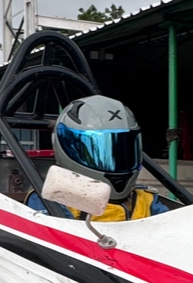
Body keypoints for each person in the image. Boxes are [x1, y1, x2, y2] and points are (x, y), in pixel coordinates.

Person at [33, 95, 169, 222]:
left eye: (122, 151)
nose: (115, 159)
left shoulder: (146, 200)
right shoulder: (53, 200)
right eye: (98, 151)